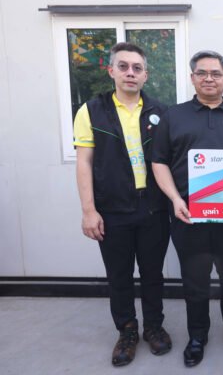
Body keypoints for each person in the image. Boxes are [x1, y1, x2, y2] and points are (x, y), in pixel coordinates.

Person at [73, 42, 171, 367]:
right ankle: (127, 331)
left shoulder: (161, 112)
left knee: (153, 273)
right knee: (119, 276)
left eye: (137, 68)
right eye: (124, 66)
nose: (131, 73)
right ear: (111, 71)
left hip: (153, 208)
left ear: (145, 75)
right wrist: (89, 210)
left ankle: (154, 327)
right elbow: (84, 162)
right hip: (112, 209)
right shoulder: (91, 110)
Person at [152, 50, 223, 367]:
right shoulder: (173, 116)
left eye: (216, 73)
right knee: (194, 281)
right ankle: (197, 336)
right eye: (202, 73)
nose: (209, 78)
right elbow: (159, 162)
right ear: (192, 77)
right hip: (188, 215)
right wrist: (175, 199)